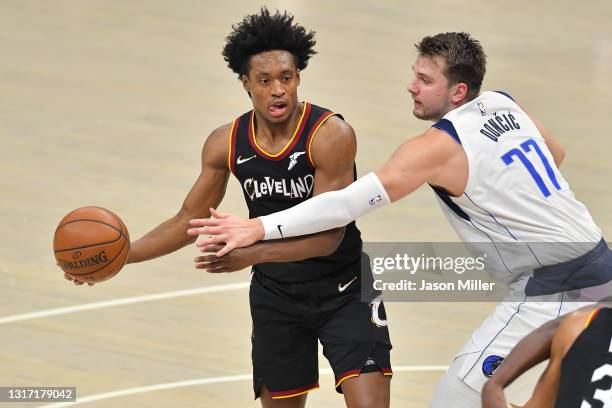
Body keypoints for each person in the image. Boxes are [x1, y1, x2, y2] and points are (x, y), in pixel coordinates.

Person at [188, 32, 612, 407]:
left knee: (457, 397)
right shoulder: (504, 102)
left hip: (555, 284)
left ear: (458, 91)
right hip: (599, 261)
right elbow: (555, 154)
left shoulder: (435, 147)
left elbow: (346, 204)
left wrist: (258, 227)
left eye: (425, 81)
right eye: (415, 74)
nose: (411, 87)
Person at [64, 8, 392, 408]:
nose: (278, 90)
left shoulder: (331, 135)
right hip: (276, 296)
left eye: (286, 78)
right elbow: (189, 219)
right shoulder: (226, 143)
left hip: (344, 289)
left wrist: (252, 254)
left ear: (299, 77)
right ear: (245, 84)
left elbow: (329, 235)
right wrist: (120, 257)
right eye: (265, 80)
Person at [482, 303, 612, 408]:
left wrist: (493, 386)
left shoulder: (579, 325)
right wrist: (494, 386)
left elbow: (554, 327)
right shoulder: (580, 327)